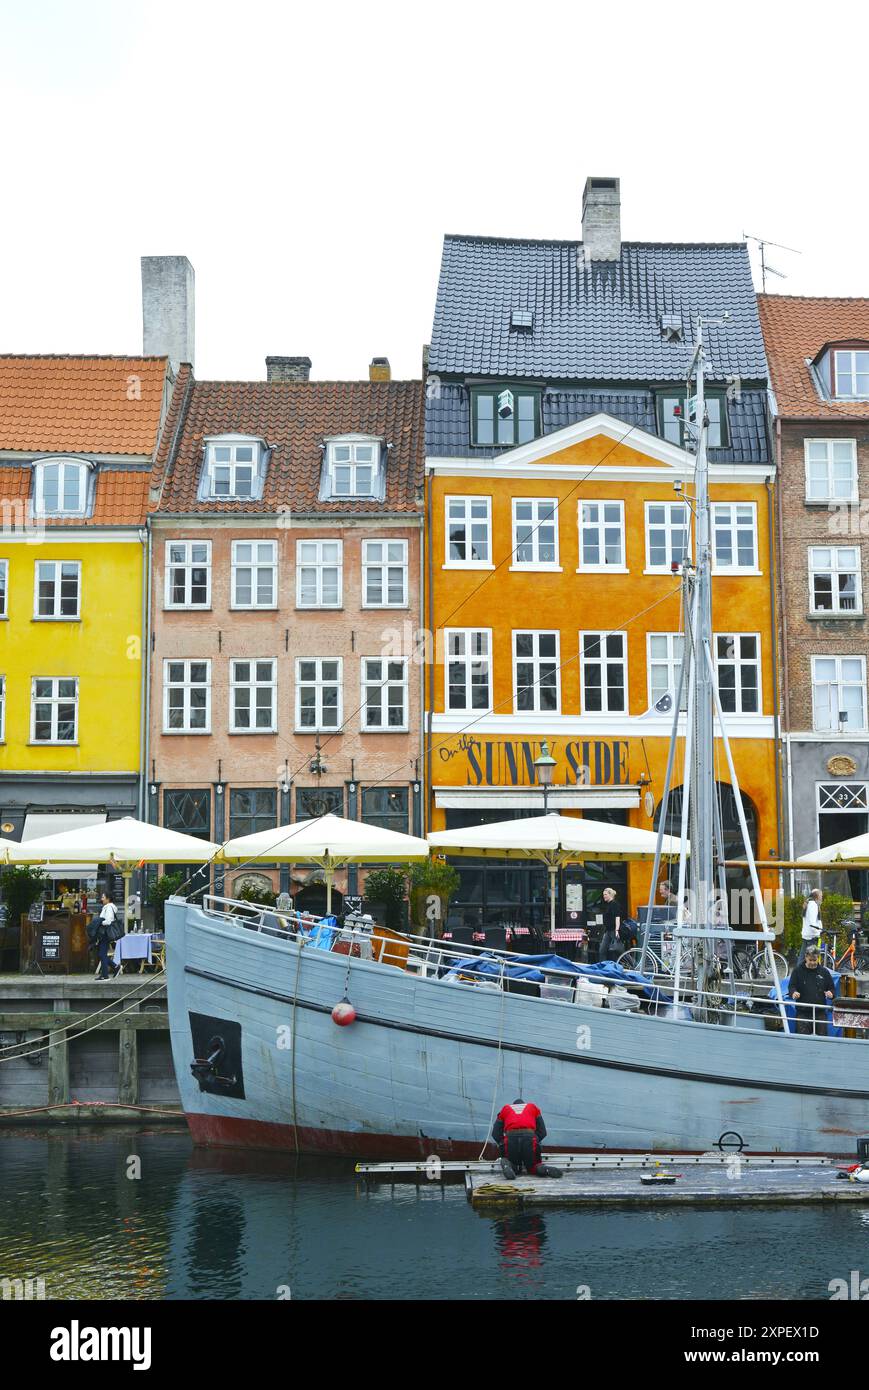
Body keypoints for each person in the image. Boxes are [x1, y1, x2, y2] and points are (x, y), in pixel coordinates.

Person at [492, 1098, 562, 1179]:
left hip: (510, 1138)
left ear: (513, 1105)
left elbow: (495, 1134)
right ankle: (542, 1169)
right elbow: (543, 1132)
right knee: (532, 1167)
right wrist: (536, 1140)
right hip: (529, 1137)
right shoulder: (533, 1107)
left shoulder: (505, 1109)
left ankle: (508, 1164)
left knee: (515, 1167)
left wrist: (503, 1143)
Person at [789, 945, 835, 1036]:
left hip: (820, 1012)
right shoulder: (797, 971)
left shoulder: (824, 972)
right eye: (810, 960)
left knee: (823, 1039)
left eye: (815, 960)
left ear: (818, 958)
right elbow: (791, 986)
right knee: (802, 1039)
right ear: (806, 957)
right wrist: (793, 993)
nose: (813, 963)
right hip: (803, 1012)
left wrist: (831, 993)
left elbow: (832, 988)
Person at [94, 892, 119, 981]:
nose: (102, 899)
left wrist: (99, 923)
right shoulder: (109, 907)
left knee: (102, 954)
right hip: (105, 933)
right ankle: (115, 967)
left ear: (108, 899)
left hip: (105, 933)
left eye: (103, 897)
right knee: (102, 954)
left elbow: (108, 921)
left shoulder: (108, 907)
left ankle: (105, 975)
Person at [798, 888, 823, 965]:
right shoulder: (813, 905)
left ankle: (797, 974)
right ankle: (801, 975)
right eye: (821, 896)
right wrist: (818, 931)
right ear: (817, 896)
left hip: (806, 935)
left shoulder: (808, 903)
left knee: (802, 959)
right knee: (811, 960)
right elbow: (812, 923)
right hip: (811, 936)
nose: (822, 898)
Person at [598, 887, 622, 961]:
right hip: (608, 930)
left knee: (619, 950)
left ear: (610, 895)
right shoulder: (608, 904)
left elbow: (617, 917)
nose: (604, 896)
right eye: (603, 894)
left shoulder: (614, 904)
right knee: (602, 950)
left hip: (613, 930)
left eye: (605, 894)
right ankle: (603, 967)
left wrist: (617, 930)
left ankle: (633, 965)